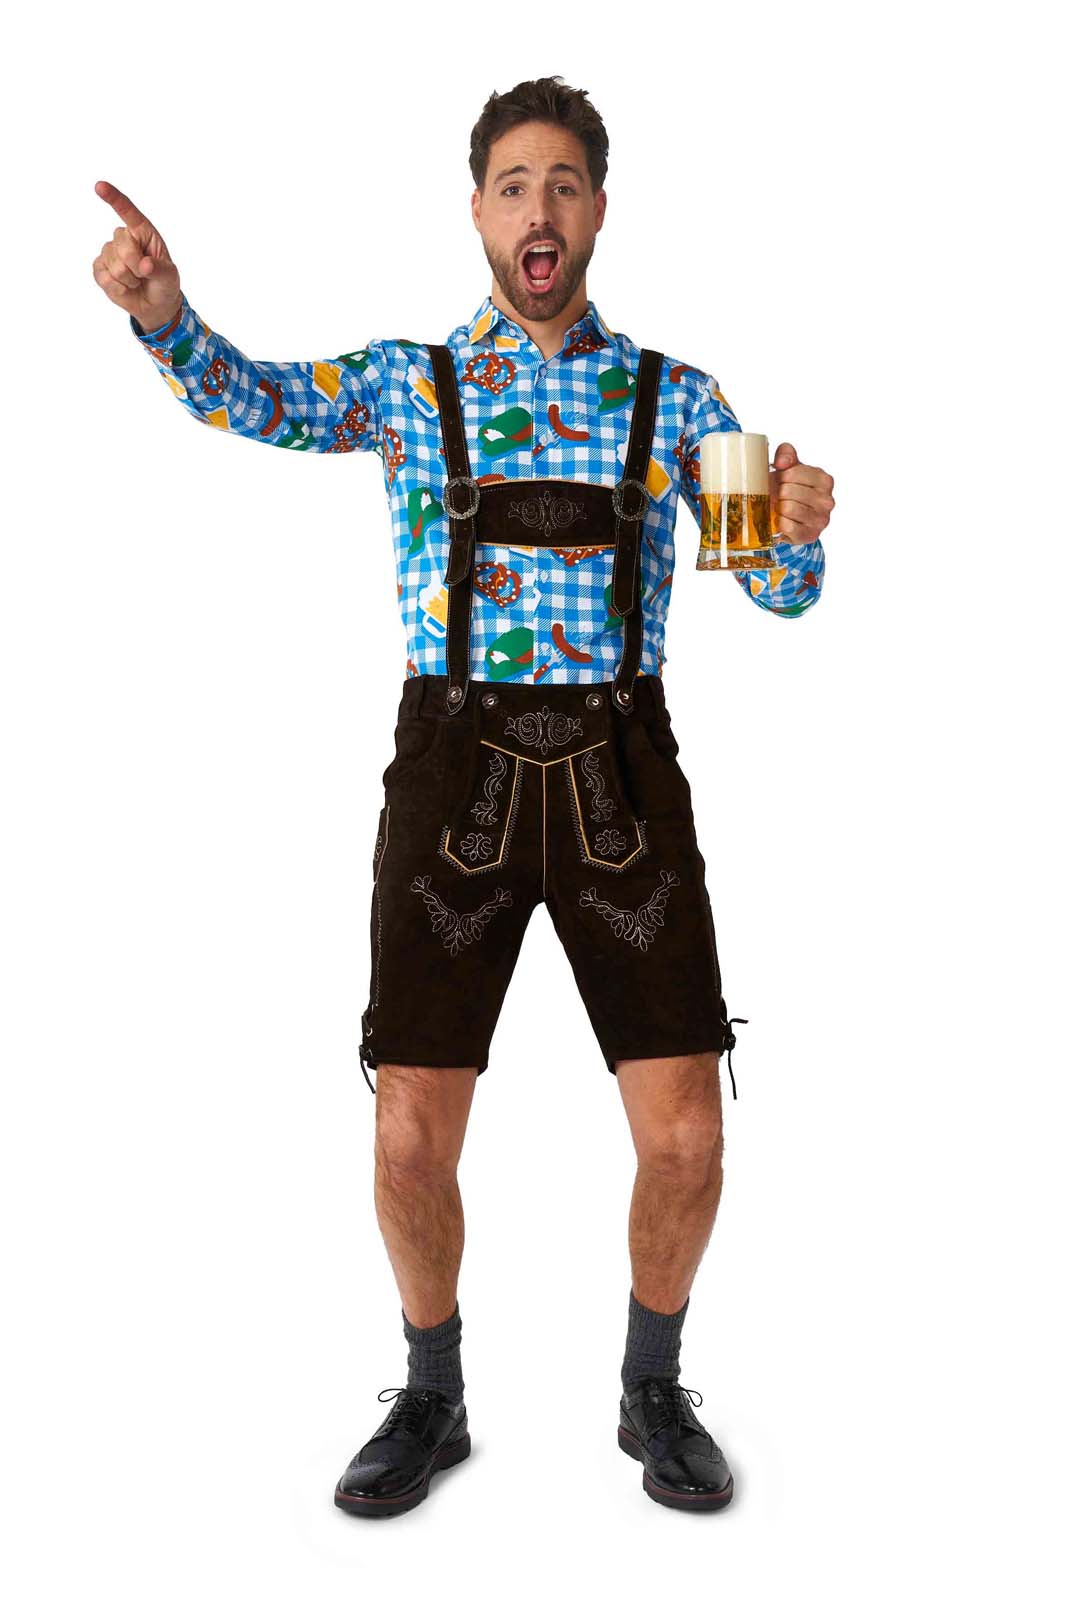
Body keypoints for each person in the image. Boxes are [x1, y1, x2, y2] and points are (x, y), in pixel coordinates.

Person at [92, 74, 835, 1516]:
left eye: (564, 184)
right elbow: (251, 402)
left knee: (688, 1130)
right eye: (513, 185)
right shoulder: (404, 380)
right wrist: (163, 316)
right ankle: (432, 1398)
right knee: (408, 1127)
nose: (539, 212)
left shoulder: (683, 398)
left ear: (600, 210)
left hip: (623, 770)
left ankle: (650, 1388)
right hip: (455, 776)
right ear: (480, 210)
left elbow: (779, 589)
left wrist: (799, 526)